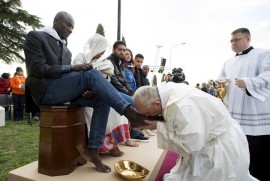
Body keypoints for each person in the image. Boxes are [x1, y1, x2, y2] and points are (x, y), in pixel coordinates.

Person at [23, 11, 162, 173]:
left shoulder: (66, 50)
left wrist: (85, 90)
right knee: (92, 73)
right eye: (68, 25)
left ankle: (93, 149)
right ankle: (132, 114)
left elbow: (68, 80)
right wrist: (72, 68)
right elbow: (38, 70)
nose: (71, 30)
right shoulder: (36, 37)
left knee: (101, 98)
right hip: (46, 91)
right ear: (56, 21)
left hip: (63, 92)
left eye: (73, 27)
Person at [133, 83, 257, 181]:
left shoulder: (181, 107)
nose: (147, 116)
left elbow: (190, 145)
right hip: (215, 134)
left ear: (157, 103)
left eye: (147, 112)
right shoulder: (167, 92)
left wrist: (159, 126)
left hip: (220, 145)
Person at [217, 27, 270, 181]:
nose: (233, 43)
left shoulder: (264, 54)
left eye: (237, 40)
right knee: (238, 150)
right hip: (234, 113)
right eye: (231, 41)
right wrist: (219, 84)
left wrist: (248, 83)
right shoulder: (228, 62)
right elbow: (221, 79)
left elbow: (268, 76)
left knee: (257, 153)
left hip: (255, 114)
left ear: (248, 39)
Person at [73, 34, 138, 156]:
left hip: (101, 92)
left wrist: (100, 78)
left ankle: (114, 144)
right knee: (105, 106)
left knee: (118, 108)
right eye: (100, 49)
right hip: (84, 94)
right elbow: (79, 77)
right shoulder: (80, 58)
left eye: (103, 50)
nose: (101, 52)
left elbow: (106, 77)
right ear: (93, 47)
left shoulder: (105, 61)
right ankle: (102, 146)